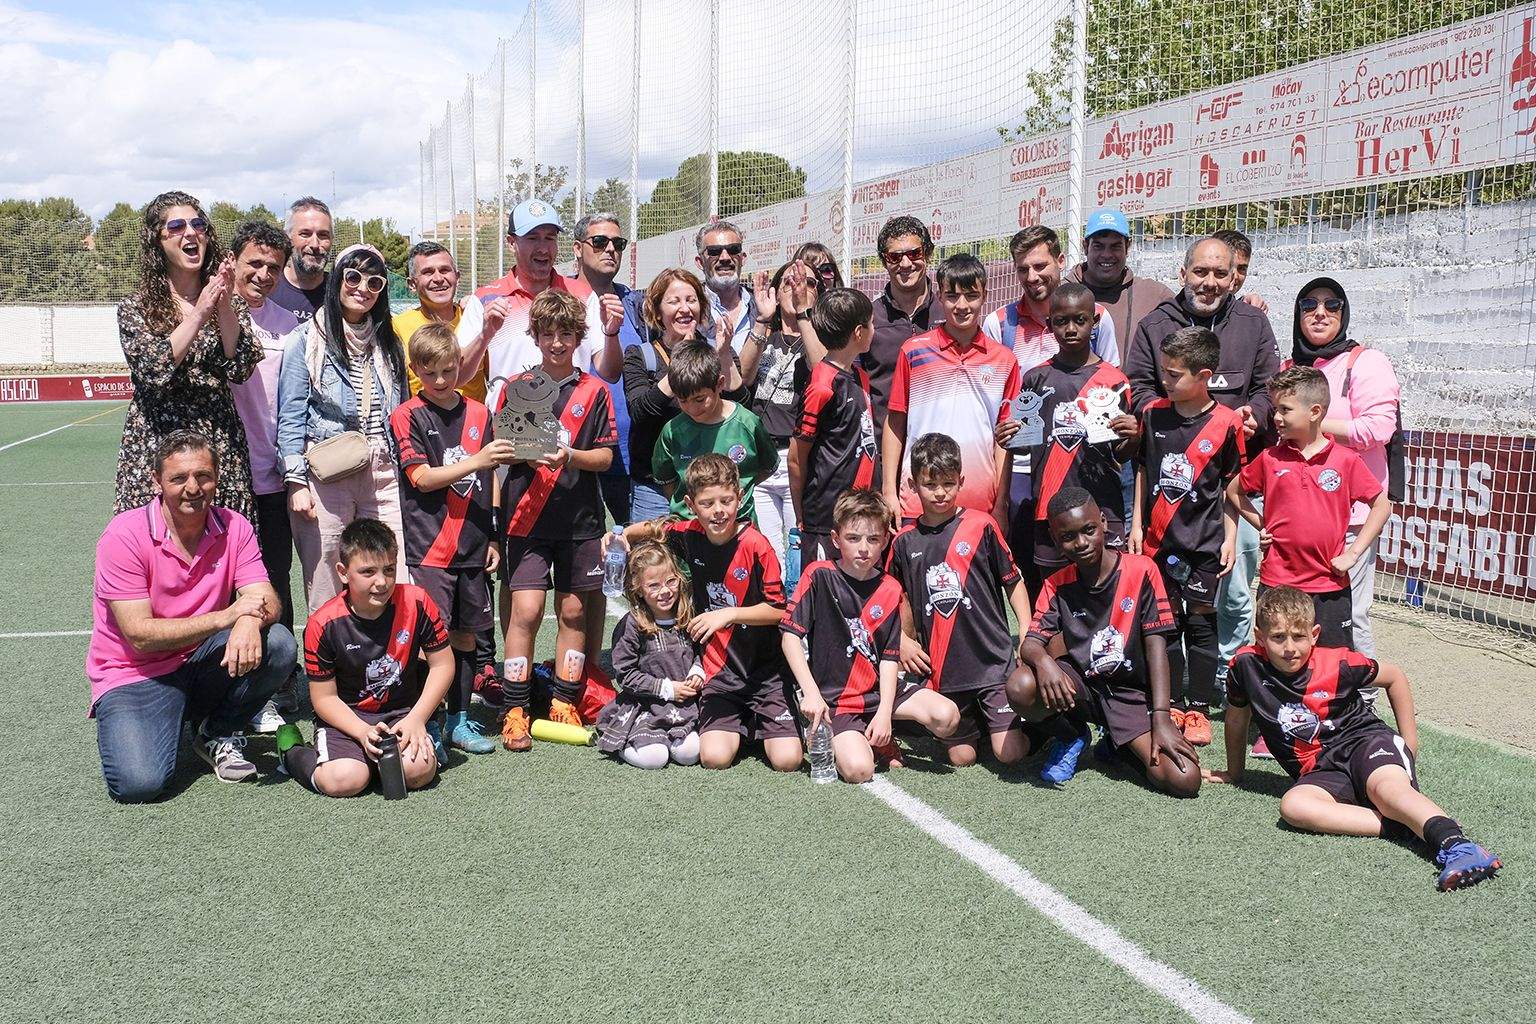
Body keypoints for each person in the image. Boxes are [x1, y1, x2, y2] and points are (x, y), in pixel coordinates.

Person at [1209, 586, 1502, 891]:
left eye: (1298, 636)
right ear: (1259, 636)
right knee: (1294, 806)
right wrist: (1234, 772)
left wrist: (1410, 741)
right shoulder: (1244, 666)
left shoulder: (1339, 663)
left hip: (1367, 743)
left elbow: (1394, 677)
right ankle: (1403, 827)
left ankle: (1460, 846)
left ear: (1315, 634)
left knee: (1387, 791)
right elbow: (1236, 717)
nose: (1289, 647)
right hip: (1322, 769)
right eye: (1278, 637)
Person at [89, 431, 295, 802]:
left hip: (203, 661)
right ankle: (161, 718)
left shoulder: (234, 525)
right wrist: (226, 618)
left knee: (278, 643)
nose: (192, 488)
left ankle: (216, 732)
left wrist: (248, 620)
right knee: (140, 785)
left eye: (203, 476)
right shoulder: (123, 536)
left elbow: (265, 596)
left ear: (217, 478)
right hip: (136, 674)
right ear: (156, 482)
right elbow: (140, 634)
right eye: (178, 478)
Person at [615, 454, 802, 772]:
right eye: (707, 503)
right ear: (691, 503)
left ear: (739, 497)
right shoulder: (689, 535)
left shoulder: (757, 546)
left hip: (766, 673)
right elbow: (657, 528)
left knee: (788, 761)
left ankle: (768, 719)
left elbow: (779, 610)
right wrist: (622, 534)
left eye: (726, 501)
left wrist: (728, 614)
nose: (718, 511)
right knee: (714, 758)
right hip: (719, 672)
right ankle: (741, 723)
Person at [1011, 487, 1201, 796]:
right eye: (1068, 537)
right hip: (1082, 688)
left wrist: (1163, 717)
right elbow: (1031, 642)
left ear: (1103, 523)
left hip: (1130, 694)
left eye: (1088, 530)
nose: (1081, 543)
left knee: (1184, 779)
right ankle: (1071, 735)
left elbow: (1157, 648)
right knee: (1020, 686)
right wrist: (1044, 661)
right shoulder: (1056, 583)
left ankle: (1118, 744)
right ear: (1057, 541)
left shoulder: (1142, 570)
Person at [493, 290, 618, 751]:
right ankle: (514, 707)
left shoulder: (595, 391)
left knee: (573, 610)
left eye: (567, 333)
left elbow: (605, 457)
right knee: (524, 612)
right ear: (536, 336)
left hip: (580, 520)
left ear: (578, 337)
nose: (558, 342)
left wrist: (570, 457)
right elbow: (502, 451)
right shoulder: (516, 387)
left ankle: (564, 700)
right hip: (525, 517)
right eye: (549, 333)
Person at [389, 323, 515, 755]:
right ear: (415, 370)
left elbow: (490, 476)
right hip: (431, 547)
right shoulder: (406, 415)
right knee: (431, 641)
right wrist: (477, 460)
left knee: (466, 638)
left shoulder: (480, 413)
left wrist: (495, 536)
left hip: (475, 545)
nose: (441, 381)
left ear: (460, 365)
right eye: (431, 372)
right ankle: (428, 723)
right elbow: (422, 478)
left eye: (448, 370)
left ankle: (460, 720)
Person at [784, 489, 961, 781]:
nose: (863, 548)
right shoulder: (818, 576)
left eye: (873, 539)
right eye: (853, 538)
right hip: (837, 699)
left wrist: (884, 712)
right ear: (836, 539)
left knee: (947, 716)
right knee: (858, 770)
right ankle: (861, 737)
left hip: (879, 693)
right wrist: (812, 693)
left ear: (885, 542)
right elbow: (789, 637)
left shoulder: (890, 588)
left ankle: (880, 729)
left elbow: (890, 658)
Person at [276, 244, 411, 612]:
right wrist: (296, 483)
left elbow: (400, 411)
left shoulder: (388, 342)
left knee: (392, 571)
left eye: (374, 281)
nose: (362, 287)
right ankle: (329, 665)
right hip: (328, 471)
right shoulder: (306, 339)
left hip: (383, 469)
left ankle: (390, 660)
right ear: (337, 280)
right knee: (326, 576)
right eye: (353, 277)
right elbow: (290, 415)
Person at [115, 190, 262, 523]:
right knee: (156, 549)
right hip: (156, 443)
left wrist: (222, 303)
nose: (191, 232)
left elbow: (240, 366)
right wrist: (199, 313)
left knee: (224, 553)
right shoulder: (135, 308)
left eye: (198, 224)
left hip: (218, 441)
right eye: (177, 226)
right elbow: (155, 368)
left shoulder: (228, 302)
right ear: (158, 241)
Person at [887, 434, 1033, 768]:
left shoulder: (982, 525)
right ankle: (984, 723)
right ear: (912, 484)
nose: (940, 492)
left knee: (1007, 754)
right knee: (961, 758)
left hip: (992, 663)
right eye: (930, 484)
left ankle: (1042, 728)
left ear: (961, 481)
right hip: (945, 671)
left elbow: (1013, 581)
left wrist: (1024, 628)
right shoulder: (903, 543)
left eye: (948, 483)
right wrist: (904, 641)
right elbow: (895, 600)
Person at [1130, 327, 1245, 746]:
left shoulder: (1228, 423)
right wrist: (1137, 524)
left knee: (1199, 620)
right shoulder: (1153, 414)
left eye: (1174, 374)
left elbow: (1233, 486)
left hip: (1204, 543)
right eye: (1164, 371)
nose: (1165, 380)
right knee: (1165, 621)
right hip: (1159, 542)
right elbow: (1142, 469)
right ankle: (1171, 702)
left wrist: (1231, 537)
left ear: (1204, 375)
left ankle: (1197, 708)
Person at [284, 519, 453, 797]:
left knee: (418, 772)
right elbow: (324, 698)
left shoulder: (417, 601)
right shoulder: (323, 623)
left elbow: (443, 664)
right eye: (368, 572)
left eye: (389, 569)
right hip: (348, 716)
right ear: (342, 572)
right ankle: (292, 752)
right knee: (345, 781)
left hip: (403, 711)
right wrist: (362, 732)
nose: (382, 582)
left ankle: (381, 760)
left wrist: (417, 718)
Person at [1227, 366, 1390, 650]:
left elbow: (1381, 506)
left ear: (1314, 412)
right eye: (1276, 409)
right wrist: (1263, 523)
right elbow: (1233, 491)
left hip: (1328, 585)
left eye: (1285, 409)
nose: (1276, 417)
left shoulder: (1345, 460)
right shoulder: (1269, 459)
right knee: (1276, 657)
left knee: (1330, 663)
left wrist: (1352, 554)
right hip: (1277, 582)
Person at [997, 283, 1136, 596]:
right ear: (1049, 325)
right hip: (1049, 508)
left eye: (1080, 320)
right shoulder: (1035, 378)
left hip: (1101, 508)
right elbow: (1028, 441)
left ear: (1094, 321)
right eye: (1061, 321)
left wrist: (1132, 436)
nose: (1070, 328)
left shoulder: (1114, 381)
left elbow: (1123, 453)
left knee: (1106, 593)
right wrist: (1008, 438)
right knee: (1054, 597)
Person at [1289, 277, 1401, 658]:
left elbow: (1379, 428)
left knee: (1351, 612)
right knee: (1296, 611)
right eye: (1309, 305)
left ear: (1344, 312)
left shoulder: (1365, 361)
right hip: (1296, 515)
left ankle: (1362, 698)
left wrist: (1312, 424)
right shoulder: (1290, 365)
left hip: (1350, 518)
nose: (1320, 313)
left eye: (1331, 305)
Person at [227, 220, 303, 731]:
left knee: (275, 583)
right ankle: (222, 690)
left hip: (273, 479)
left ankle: (276, 683)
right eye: (254, 263)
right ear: (232, 260)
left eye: (273, 267)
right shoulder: (215, 316)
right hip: (225, 479)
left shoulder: (291, 326)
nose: (263, 274)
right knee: (222, 590)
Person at [882, 253, 1019, 528]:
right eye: (952, 296)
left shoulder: (1005, 360)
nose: (962, 305)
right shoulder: (914, 351)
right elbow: (895, 422)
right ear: (939, 296)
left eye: (971, 295)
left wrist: (1001, 503)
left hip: (980, 503)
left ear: (985, 295)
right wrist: (888, 492)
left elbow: (1006, 439)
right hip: (917, 501)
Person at [456, 199, 622, 407]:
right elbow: (458, 376)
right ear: (511, 242)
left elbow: (610, 372)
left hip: (572, 425)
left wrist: (612, 332)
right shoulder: (485, 300)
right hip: (510, 429)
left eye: (550, 238)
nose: (543, 247)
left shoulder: (583, 296)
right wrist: (485, 334)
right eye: (533, 238)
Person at [623, 268, 748, 522]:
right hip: (654, 490)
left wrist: (724, 354)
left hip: (712, 490)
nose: (685, 308)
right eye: (674, 301)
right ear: (657, 311)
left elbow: (742, 404)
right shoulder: (641, 355)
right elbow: (640, 412)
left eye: (691, 300)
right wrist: (682, 362)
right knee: (653, 559)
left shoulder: (716, 349)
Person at [741, 259, 826, 565]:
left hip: (800, 462)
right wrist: (762, 321)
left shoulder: (824, 340)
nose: (797, 287)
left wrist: (804, 316)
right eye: (789, 282)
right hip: (761, 461)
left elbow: (824, 375)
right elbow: (743, 378)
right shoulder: (763, 336)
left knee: (799, 556)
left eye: (808, 283)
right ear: (775, 292)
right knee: (768, 557)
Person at [789, 288, 880, 565]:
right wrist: (802, 512)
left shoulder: (860, 376)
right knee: (824, 592)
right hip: (825, 516)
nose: (874, 329)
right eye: (871, 323)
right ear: (858, 333)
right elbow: (796, 456)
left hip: (859, 510)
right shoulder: (822, 385)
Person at [595, 540, 703, 769]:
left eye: (670, 581)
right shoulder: (632, 625)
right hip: (645, 704)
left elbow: (701, 650)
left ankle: (669, 739)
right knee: (655, 758)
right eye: (653, 585)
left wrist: (697, 669)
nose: (665, 591)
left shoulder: (687, 615)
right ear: (638, 590)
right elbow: (625, 675)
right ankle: (623, 742)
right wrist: (667, 689)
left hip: (684, 706)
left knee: (690, 754)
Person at [653, 341, 778, 524]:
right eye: (683, 401)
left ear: (719, 384)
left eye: (699, 399)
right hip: (689, 527)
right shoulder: (672, 431)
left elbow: (766, 467)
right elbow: (668, 483)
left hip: (739, 524)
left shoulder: (747, 423)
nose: (692, 408)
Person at [570, 211, 641, 526]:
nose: (610, 249)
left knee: (635, 556)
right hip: (575, 452)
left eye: (618, 242)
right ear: (577, 248)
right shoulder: (558, 301)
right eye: (599, 242)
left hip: (628, 456)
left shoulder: (637, 304)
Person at [982, 225, 1119, 368]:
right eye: (1023, 270)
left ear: (1060, 261)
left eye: (1039, 266)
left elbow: (1111, 382)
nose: (1032, 277)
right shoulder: (999, 324)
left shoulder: (1097, 317)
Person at [863, 215, 944, 429]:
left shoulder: (950, 314)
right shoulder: (868, 319)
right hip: (884, 451)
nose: (906, 263)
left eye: (914, 253)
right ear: (883, 261)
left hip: (940, 452)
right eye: (894, 257)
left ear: (928, 254)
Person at [1064, 208, 1173, 354]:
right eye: (1098, 246)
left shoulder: (1155, 296)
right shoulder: (1060, 295)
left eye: (1115, 246)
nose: (1107, 255)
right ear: (1085, 247)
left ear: (1127, 247)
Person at [394, 240, 488, 402]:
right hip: (424, 425)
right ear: (411, 284)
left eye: (445, 270)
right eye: (428, 272)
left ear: (457, 277)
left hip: (474, 425)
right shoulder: (397, 327)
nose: (438, 278)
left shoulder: (477, 320)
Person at [695, 220, 757, 354]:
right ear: (700, 262)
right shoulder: (690, 311)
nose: (725, 257)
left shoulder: (763, 308)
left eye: (733, 249)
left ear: (743, 258)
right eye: (714, 251)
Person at [268, 197, 333, 321]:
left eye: (323, 235)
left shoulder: (340, 293)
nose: (315, 244)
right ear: (288, 238)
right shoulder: (267, 287)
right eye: (305, 234)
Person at [1211, 228, 1268, 313]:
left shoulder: (1249, 314)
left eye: (1241, 269)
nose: (1235, 276)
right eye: (1228, 267)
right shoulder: (1188, 313)